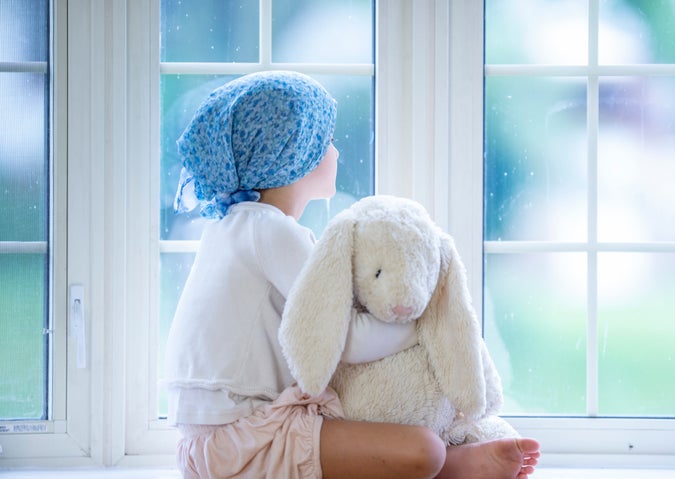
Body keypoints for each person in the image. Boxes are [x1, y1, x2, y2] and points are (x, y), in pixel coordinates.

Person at [164, 70, 541, 479]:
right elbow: (343, 339)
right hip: (245, 441)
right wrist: (425, 320)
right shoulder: (270, 229)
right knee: (424, 449)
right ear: (295, 155)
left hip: (211, 443)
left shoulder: (232, 226)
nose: (336, 152)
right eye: (324, 141)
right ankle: (451, 465)